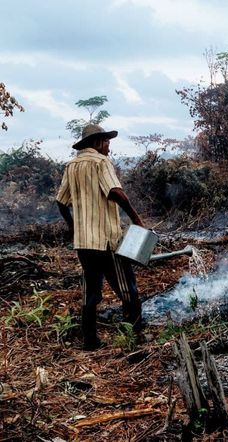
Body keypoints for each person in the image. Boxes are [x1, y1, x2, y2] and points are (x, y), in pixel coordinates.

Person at [56, 124, 145, 350]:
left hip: (84, 242)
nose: (108, 147)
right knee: (127, 288)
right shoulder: (101, 162)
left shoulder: (71, 166)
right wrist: (137, 220)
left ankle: (90, 341)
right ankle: (135, 338)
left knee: (91, 291)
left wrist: (73, 226)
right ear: (95, 142)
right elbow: (115, 192)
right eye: (106, 142)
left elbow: (61, 201)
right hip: (106, 240)